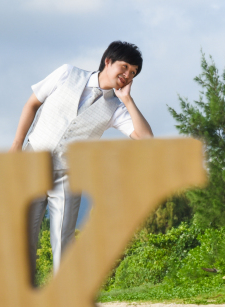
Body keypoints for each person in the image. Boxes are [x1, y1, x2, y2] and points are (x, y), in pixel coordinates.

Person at [9, 41, 154, 279]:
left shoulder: (116, 108)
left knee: (63, 240)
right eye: (125, 67)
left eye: (133, 73)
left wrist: (127, 100)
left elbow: (146, 139)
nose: (127, 75)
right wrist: (16, 145)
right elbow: (32, 103)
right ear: (108, 61)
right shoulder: (67, 73)